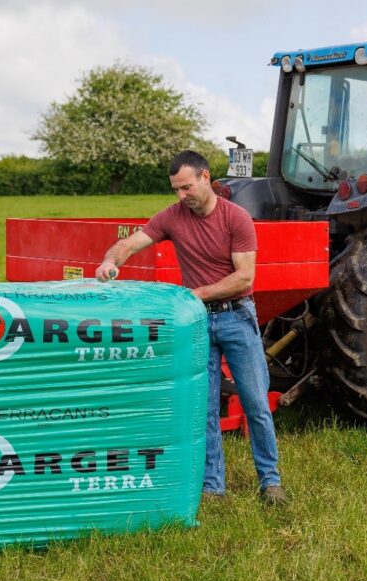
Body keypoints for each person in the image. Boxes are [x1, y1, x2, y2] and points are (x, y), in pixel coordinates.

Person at [96, 150, 286, 505]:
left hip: (236, 318)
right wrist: (110, 260)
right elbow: (131, 243)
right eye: (176, 190)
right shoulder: (172, 217)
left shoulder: (236, 219)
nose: (181, 196)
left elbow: (244, 277)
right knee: (206, 407)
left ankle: (271, 483)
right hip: (198, 323)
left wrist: (194, 294)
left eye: (186, 187)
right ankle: (214, 487)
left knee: (256, 402)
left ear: (204, 177)